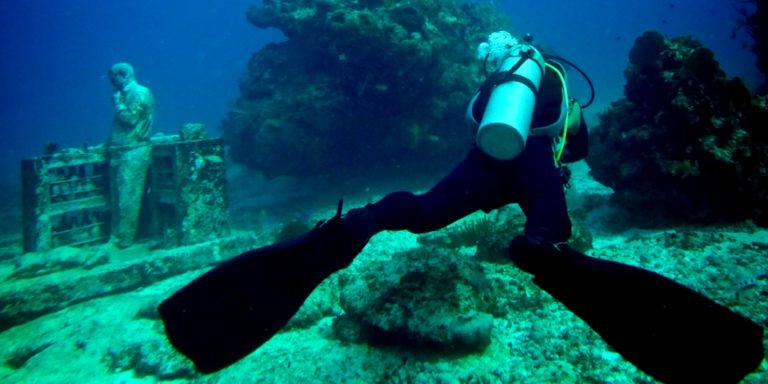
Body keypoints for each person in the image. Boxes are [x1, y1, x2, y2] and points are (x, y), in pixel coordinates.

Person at [158, 32, 763, 382]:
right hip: (532, 170)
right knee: (545, 238)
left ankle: (354, 226)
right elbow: (574, 148)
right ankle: (540, 252)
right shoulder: (551, 79)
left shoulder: (492, 91)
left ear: (494, 61)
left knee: (418, 211)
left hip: (482, 168)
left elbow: (476, 130)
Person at [106, 62, 154, 248]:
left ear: (124, 75)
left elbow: (131, 119)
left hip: (134, 151)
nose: (111, 82)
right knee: (117, 197)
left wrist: (118, 104)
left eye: (113, 78)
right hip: (120, 150)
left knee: (128, 196)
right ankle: (115, 237)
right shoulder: (124, 94)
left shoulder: (140, 92)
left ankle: (124, 239)